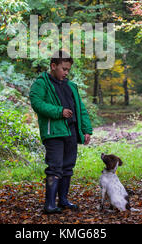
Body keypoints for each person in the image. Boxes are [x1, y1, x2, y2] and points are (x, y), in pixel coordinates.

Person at [29, 50, 93, 214]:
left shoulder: (71, 86)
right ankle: (49, 204)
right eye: (64, 69)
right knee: (55, 167)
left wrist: (86, 129)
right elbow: (37, 103)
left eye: (68, 70)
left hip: (71, 131)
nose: (66, 72)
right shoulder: (41, 83)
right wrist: (59, 111)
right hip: (54, 133)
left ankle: (63, 200)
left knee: (68, 167)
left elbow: (81, 109)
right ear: (53, 66)